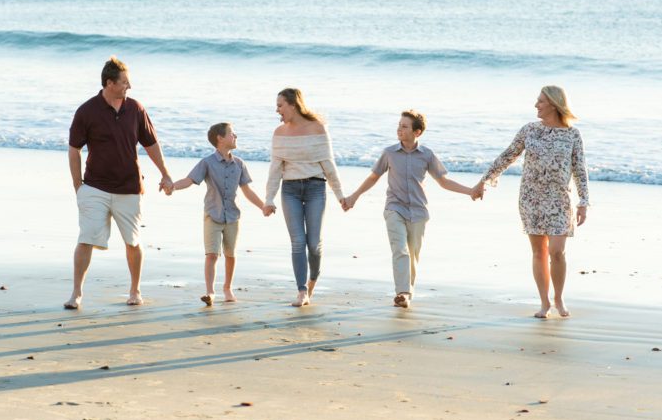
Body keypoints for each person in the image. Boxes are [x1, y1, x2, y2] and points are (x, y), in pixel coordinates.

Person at [471, 86, 590, 318]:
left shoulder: (572, 134)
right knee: (539, 252)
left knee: (557, 252)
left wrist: (584, 201)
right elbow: (507, 156)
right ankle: (545, 303)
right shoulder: (529, 130)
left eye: (541, 101)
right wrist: (484, 181)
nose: (536, 105)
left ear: (555, 104)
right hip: (531, 198)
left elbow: (579, 169)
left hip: (559, 199)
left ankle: (558, 297)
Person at [64, 56, 173, 310]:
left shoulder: (135, 109)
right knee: (86, 238)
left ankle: (135, 290)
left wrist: (165, 174)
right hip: (95, 187)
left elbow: (151, 144)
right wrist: (77, 185)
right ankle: (76, 293)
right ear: (109, 83)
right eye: (124, 82)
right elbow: (74, 150)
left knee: (133, 242)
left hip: (129, 188)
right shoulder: (86, 111)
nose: (129, 86)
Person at [342, 110, 477, 308]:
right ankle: (402, 292)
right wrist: (354, 196)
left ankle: (407, 294)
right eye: (399, 125)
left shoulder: (427, 155)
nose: (399, 130)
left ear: (417, 132)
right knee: (401, 250)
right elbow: (373, 177)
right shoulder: (389, 153)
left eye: (404, 126)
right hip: (394, 208)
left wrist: (470, 191)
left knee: (413, 256)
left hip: (418, 211)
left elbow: (443, 182)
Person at [166, 122, 269, 305]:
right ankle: (210, 292)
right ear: (220, 139)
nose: (235, 136)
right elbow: (189, 180)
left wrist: (263, 206)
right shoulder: (207, 162)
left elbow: (247, 191)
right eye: (232, 133)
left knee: (230, 254)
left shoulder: (239, 164)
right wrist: (173, 186)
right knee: (212, 254)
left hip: (232, 216)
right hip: (212, 214)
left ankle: (227, 288)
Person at [264, 88, 345, 307]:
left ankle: (312, 282)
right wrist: (268, 199)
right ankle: (301, 291)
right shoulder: (279, 133)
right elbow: (275, 169)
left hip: (315, 188)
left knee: (314, 244)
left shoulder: (317, 128)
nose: (277, 110)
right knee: (298, 242)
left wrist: (340, 195)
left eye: (280, 105)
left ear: (293, 105)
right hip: (289, 189)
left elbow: (328, 164)